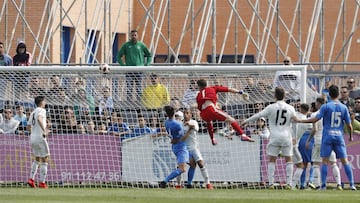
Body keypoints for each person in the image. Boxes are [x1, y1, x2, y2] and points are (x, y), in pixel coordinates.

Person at [298, 85, 356, 190]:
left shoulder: (326, 106)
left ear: (329, 94)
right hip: (339, 136)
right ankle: (352, 185)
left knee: (324, 161)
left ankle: (323, 186)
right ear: (338, 94)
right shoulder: (343, 107)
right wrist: (351, 136)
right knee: (344, 161)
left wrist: (301, 120)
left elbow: (315, 119)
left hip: (327, 136)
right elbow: (349, 125)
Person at [240, 86, 299, 189]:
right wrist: (295, 137)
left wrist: (246, 121)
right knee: (289, 160)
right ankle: (289, 183)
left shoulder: (271, 107)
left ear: (275, 96)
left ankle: (271, 183)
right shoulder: (290, 108)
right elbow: (295, 123)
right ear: (284, 96)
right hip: (286, 136)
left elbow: (258, 115)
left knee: (272, 160)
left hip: (275, 136)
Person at [196, 79, 254, 145]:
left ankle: (212, 139)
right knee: (231, 120)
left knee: (209, 123)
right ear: (207, 84)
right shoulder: (213, 88)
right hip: (211, 109)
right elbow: (229, 89)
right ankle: (243, 135)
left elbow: (200, 106)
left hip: (203, 114)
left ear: (199, 87)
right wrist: (241, 92)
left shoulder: (198, 95)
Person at [306, 97, 342, 190]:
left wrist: (309, 140)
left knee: (316, 164)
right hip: (330, 140)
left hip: (318, 141)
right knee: (333, 163)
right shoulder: (331, 113)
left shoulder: (315, 114)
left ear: (318, 103)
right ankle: (339, 184)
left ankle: (318, 185)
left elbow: (315, 129)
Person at [176, 109, 213, 189]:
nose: (186, 115)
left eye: (187, 113)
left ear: (190, 115)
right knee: (181, 166)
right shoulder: (180, 124)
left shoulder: (194, 122)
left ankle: (208, 183)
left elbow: (195, 128)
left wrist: (189, 125)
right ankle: (178, 184)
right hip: (184, 148)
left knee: (200, 163)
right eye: (184, 113)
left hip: (194, 147)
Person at [117, 29, 152, 101]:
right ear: (130, 36)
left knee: (139, 88)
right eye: (132, 35)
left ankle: (138, 105)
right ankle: (129, 105)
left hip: (139, 70)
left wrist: (147, 64)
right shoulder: (126, 45)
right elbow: (119, 56)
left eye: (135, 35)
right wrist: (123, 66)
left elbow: (149, 55)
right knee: (129, 88)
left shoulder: (141, 45)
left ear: (137, 36)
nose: (134, 36)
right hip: (129, 71)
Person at [159, 106, 188, 188]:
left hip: (175, 147)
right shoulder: (178, 124)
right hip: (181, 147)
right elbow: (182, 137)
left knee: (191, 163)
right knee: (182, 169)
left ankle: (185, 183)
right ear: (174, 113)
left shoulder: (166, 122)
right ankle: (164, 181)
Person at [27, 96, 49, 188]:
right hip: (40, 137)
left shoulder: (33, 112)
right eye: (44, 101)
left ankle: (31, 179)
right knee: (45, 158)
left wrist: (34, 133)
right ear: (41, 102)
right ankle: (42, 182)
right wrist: (44, 130)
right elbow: (40, 119)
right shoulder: (41, 110)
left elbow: (28, 126)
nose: (45, 103)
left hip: (33, 138)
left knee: (37, 158)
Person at [291, 103, 312, 189]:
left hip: (287, 140)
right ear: (308, 110)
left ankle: (296, 184)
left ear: (300, 109)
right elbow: (314, 129)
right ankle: (294, 185)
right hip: (296, 144)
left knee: (292, 163)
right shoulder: (307, 121)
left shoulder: (294, 115)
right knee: (302, 165)